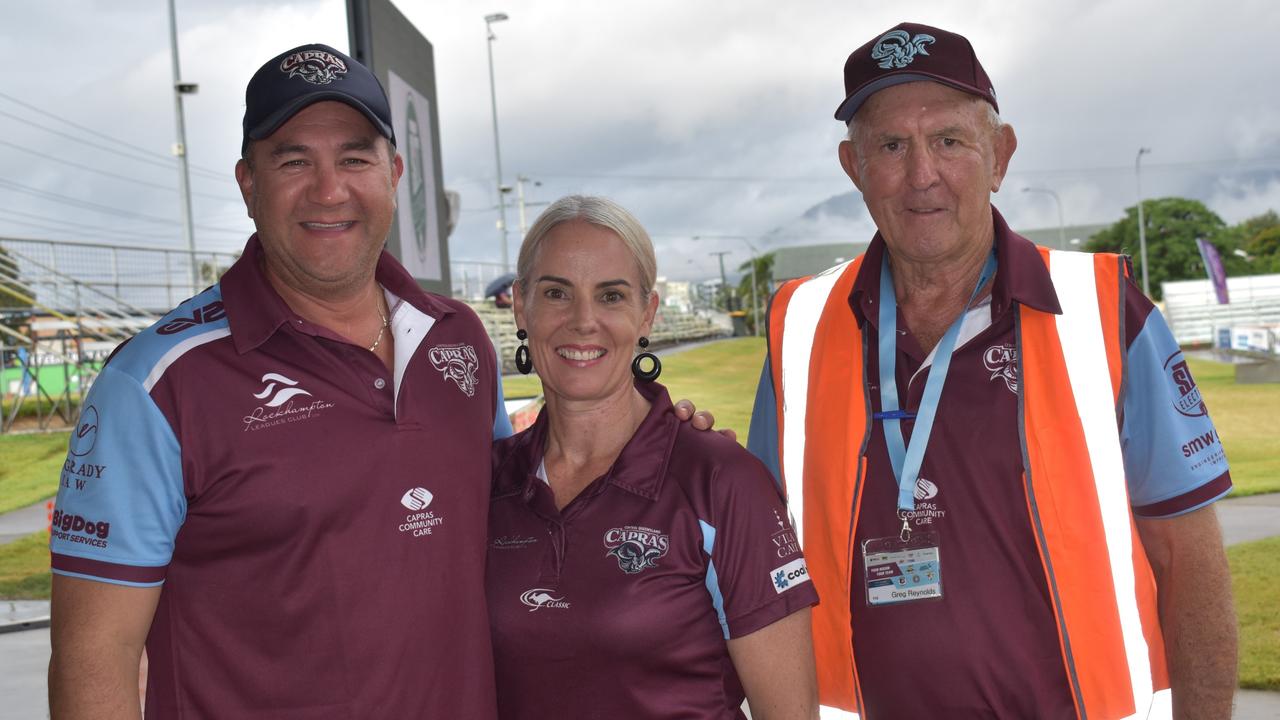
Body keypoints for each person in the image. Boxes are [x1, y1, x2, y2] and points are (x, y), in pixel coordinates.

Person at [747, 22, 1236, 720]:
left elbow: (1190, 563)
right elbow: (752, 553)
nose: (922, 174)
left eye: (949, 140)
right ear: (854, 167)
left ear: (999, 155)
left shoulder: (1106, 311)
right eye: (891, 146)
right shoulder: (797, 328)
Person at [45, 44, 517, 717]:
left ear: (395, 173)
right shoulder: (156, 387)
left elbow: (527, 524)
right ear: (248, 184)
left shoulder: (460, 341)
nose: (329, 190)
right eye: (294, 161)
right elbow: (96, 660)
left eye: (355, 158)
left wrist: (660, 441)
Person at [487, 195, 820, 719]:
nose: (583, 321)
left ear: (647, 314)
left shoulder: (722, 480)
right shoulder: (487, 481)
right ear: (522, 308)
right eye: (557, 293)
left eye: (611, 296)